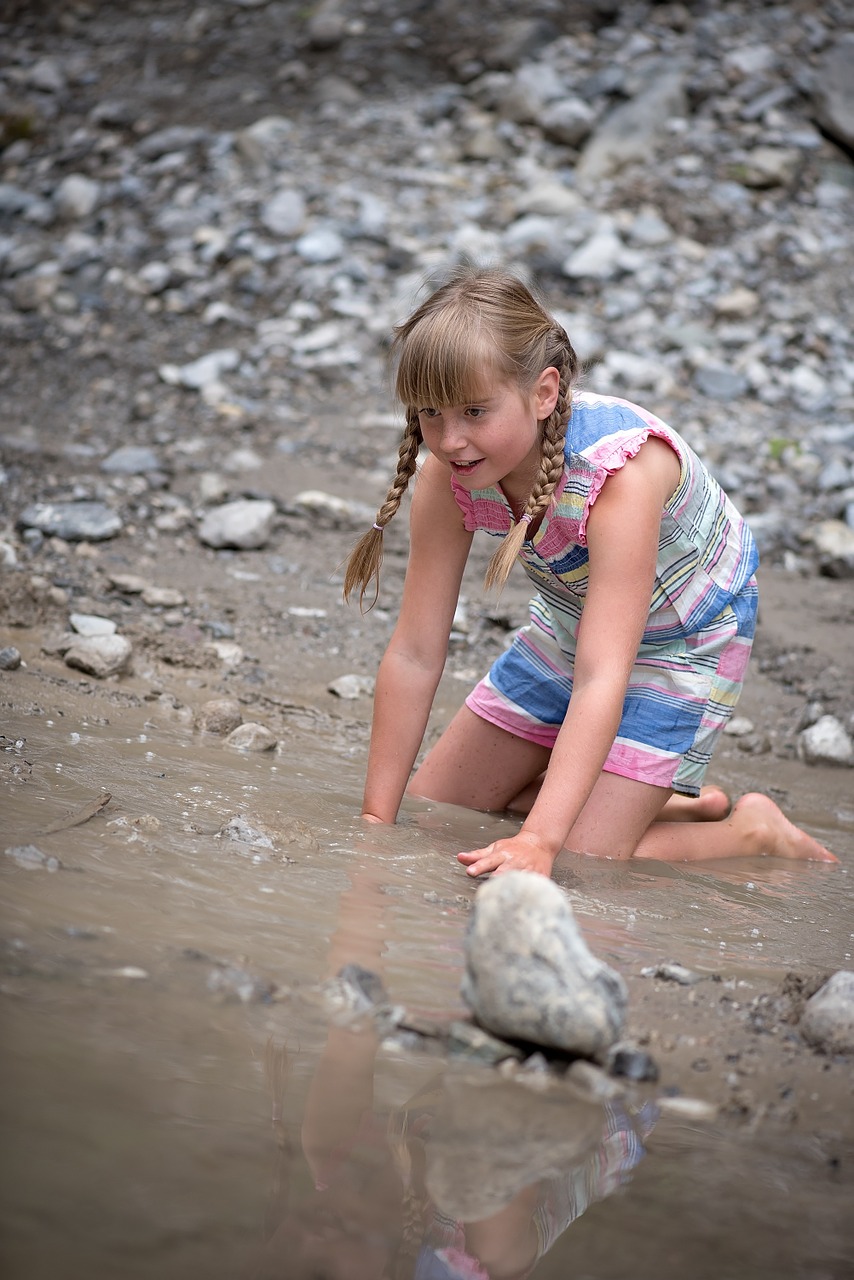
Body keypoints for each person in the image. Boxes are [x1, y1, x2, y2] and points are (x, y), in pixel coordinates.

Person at [343, 265, 837, 877]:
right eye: (432, 415)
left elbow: (606, 673)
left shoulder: (620, 476)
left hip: (684, 639)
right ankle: (647, 800)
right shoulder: (449, 475)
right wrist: (373, 821)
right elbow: (416, 652)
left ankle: (751, 832)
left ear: (545, 393)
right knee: (436, 814)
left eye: (474, 411)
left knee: (583, 860)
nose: (450, 439)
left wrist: (542, 843)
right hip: (570, 626)